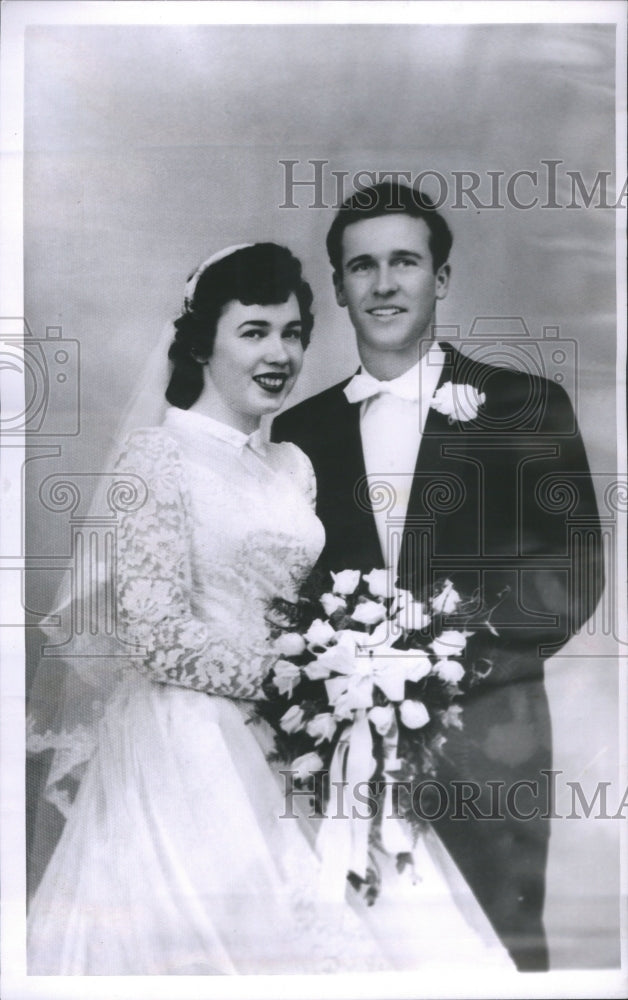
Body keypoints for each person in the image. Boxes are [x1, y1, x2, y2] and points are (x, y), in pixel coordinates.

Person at [26, 241, 515, 976]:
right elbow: (157, 637)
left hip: (297, 740)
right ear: (201, 344)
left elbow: (302, 608)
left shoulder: (292, 467)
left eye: (291, 333)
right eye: (253, 331)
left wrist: (352, 668)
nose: (279, 353)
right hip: (187, 739)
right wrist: (306, 679)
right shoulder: (157, 459)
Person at [272, 182, 604, 971]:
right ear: (340, 287)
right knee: (357, 950)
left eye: (404, 262)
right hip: (337, 749)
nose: (383, 284)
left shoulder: (523, 404)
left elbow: (573, 569)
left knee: (502, 950)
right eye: (362, 267)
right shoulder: (298, 432)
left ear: (441, 279)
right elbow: (283, 587)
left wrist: (435, 663)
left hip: (490, 738)